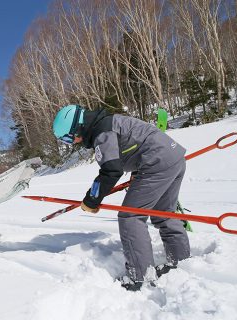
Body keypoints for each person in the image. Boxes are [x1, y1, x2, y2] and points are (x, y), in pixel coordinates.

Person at [52, 105, 190, 291]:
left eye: (69, 137)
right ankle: (180, 261)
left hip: (156, 163)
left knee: (130, 216)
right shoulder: (109, 122)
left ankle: (140, 276)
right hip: (173, 158)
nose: (73, 142)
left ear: (78, 126)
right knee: (163, 213)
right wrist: (137, 172)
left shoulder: (102, 133)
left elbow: (111, 170)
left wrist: (92, 199)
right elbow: (137, 144)